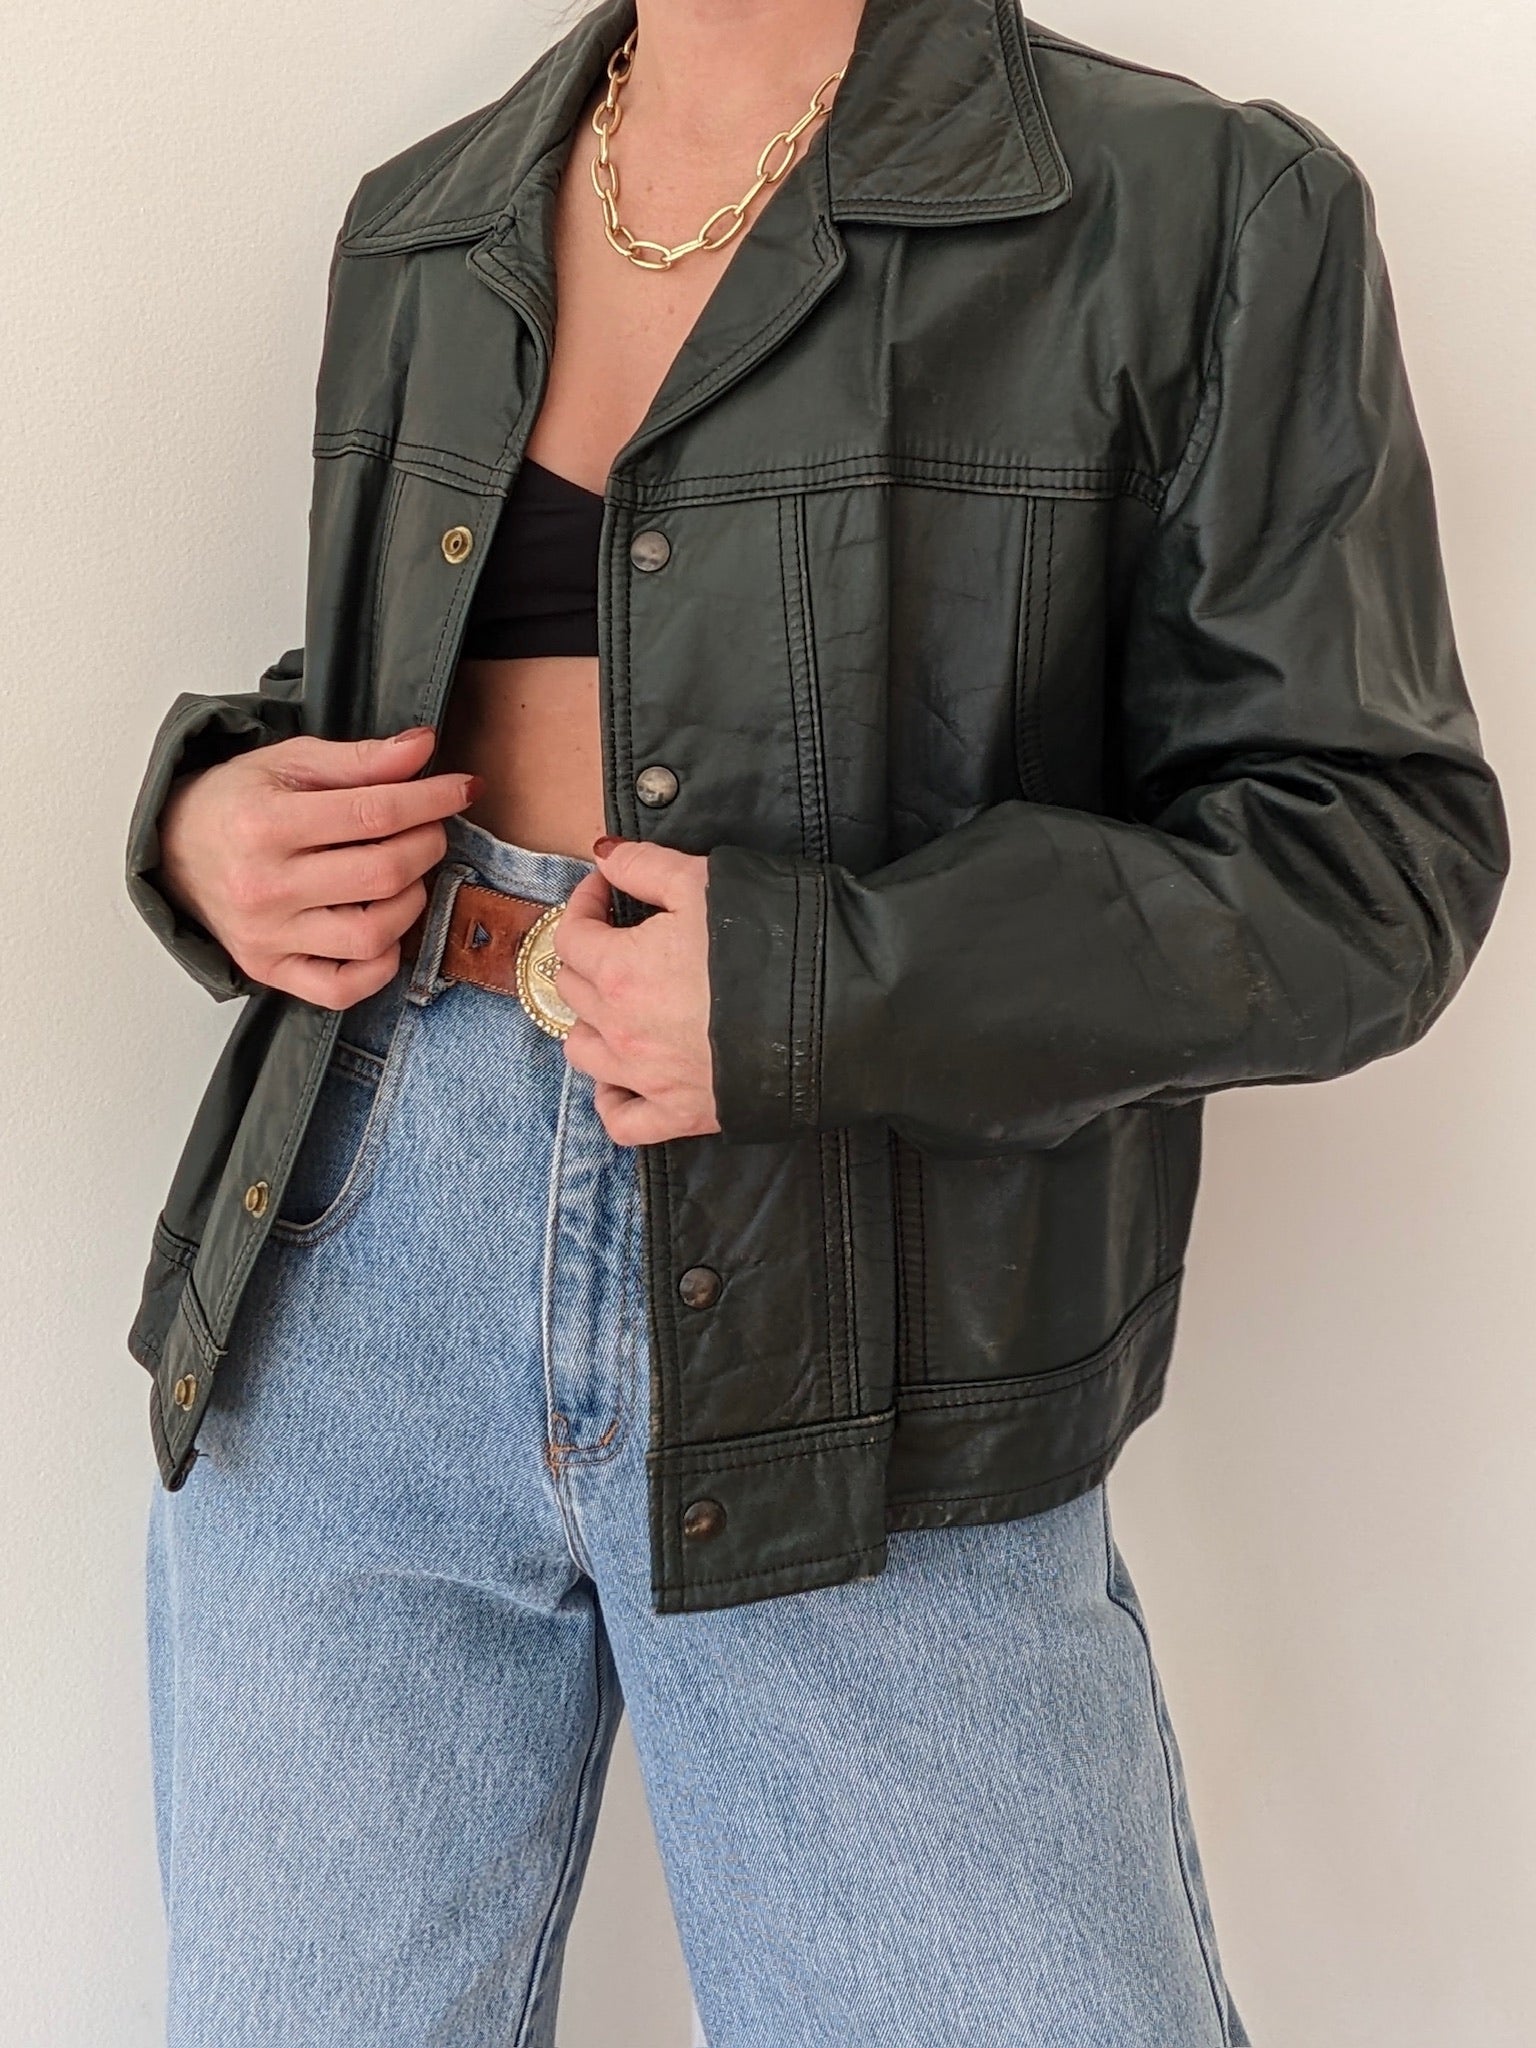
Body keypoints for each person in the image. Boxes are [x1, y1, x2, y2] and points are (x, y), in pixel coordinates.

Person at [124, 1, 1509, 2042]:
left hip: (866, 1317)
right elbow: (418, 686)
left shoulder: (1200, 207)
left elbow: (1373, 862)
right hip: (353, 1268)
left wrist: (819, 987)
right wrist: (214, 822)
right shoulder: (425, 223)